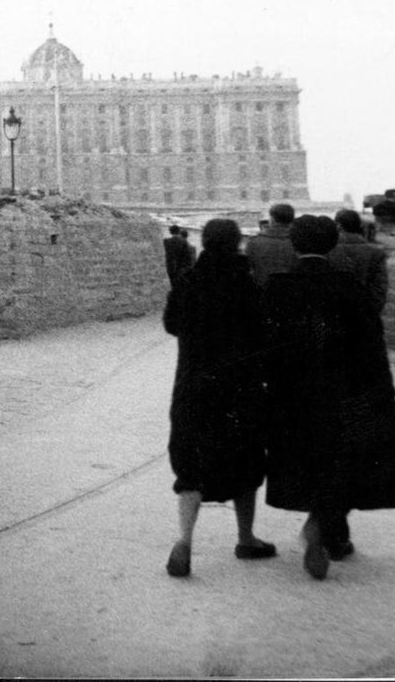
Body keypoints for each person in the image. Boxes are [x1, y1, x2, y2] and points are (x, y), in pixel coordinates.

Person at [262, 215, 395, 580]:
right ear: (333, 245)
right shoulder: (349, 288)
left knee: (307, 460)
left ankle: (326, 532)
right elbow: (371, 346)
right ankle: (327, 532)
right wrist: (383, 390)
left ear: (294, 244)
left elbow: (265, 346)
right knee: (345, 461)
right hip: (345, 392)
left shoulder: (277, 288)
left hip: (294, 396)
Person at [162, 218, 274, 578]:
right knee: (246, 460)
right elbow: (263, 333)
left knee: (191, 463)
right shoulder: (248, 282)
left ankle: (185, 541)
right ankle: (245, 538)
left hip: (193, 384)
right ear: (238, 242)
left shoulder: (189, 281)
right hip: (240, 387)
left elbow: (171, 325)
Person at [328, 209, 389, 316]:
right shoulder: (376, 253)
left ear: (338, 226)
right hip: (365, 314)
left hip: (334, 315)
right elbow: (380, 289)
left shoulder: (328, 251)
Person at [245, 202, 298, 288]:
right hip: (293, 291)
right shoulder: (298, 242)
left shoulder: (254, 242)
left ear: (272, 219)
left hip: (263, 290)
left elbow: (249, 268)